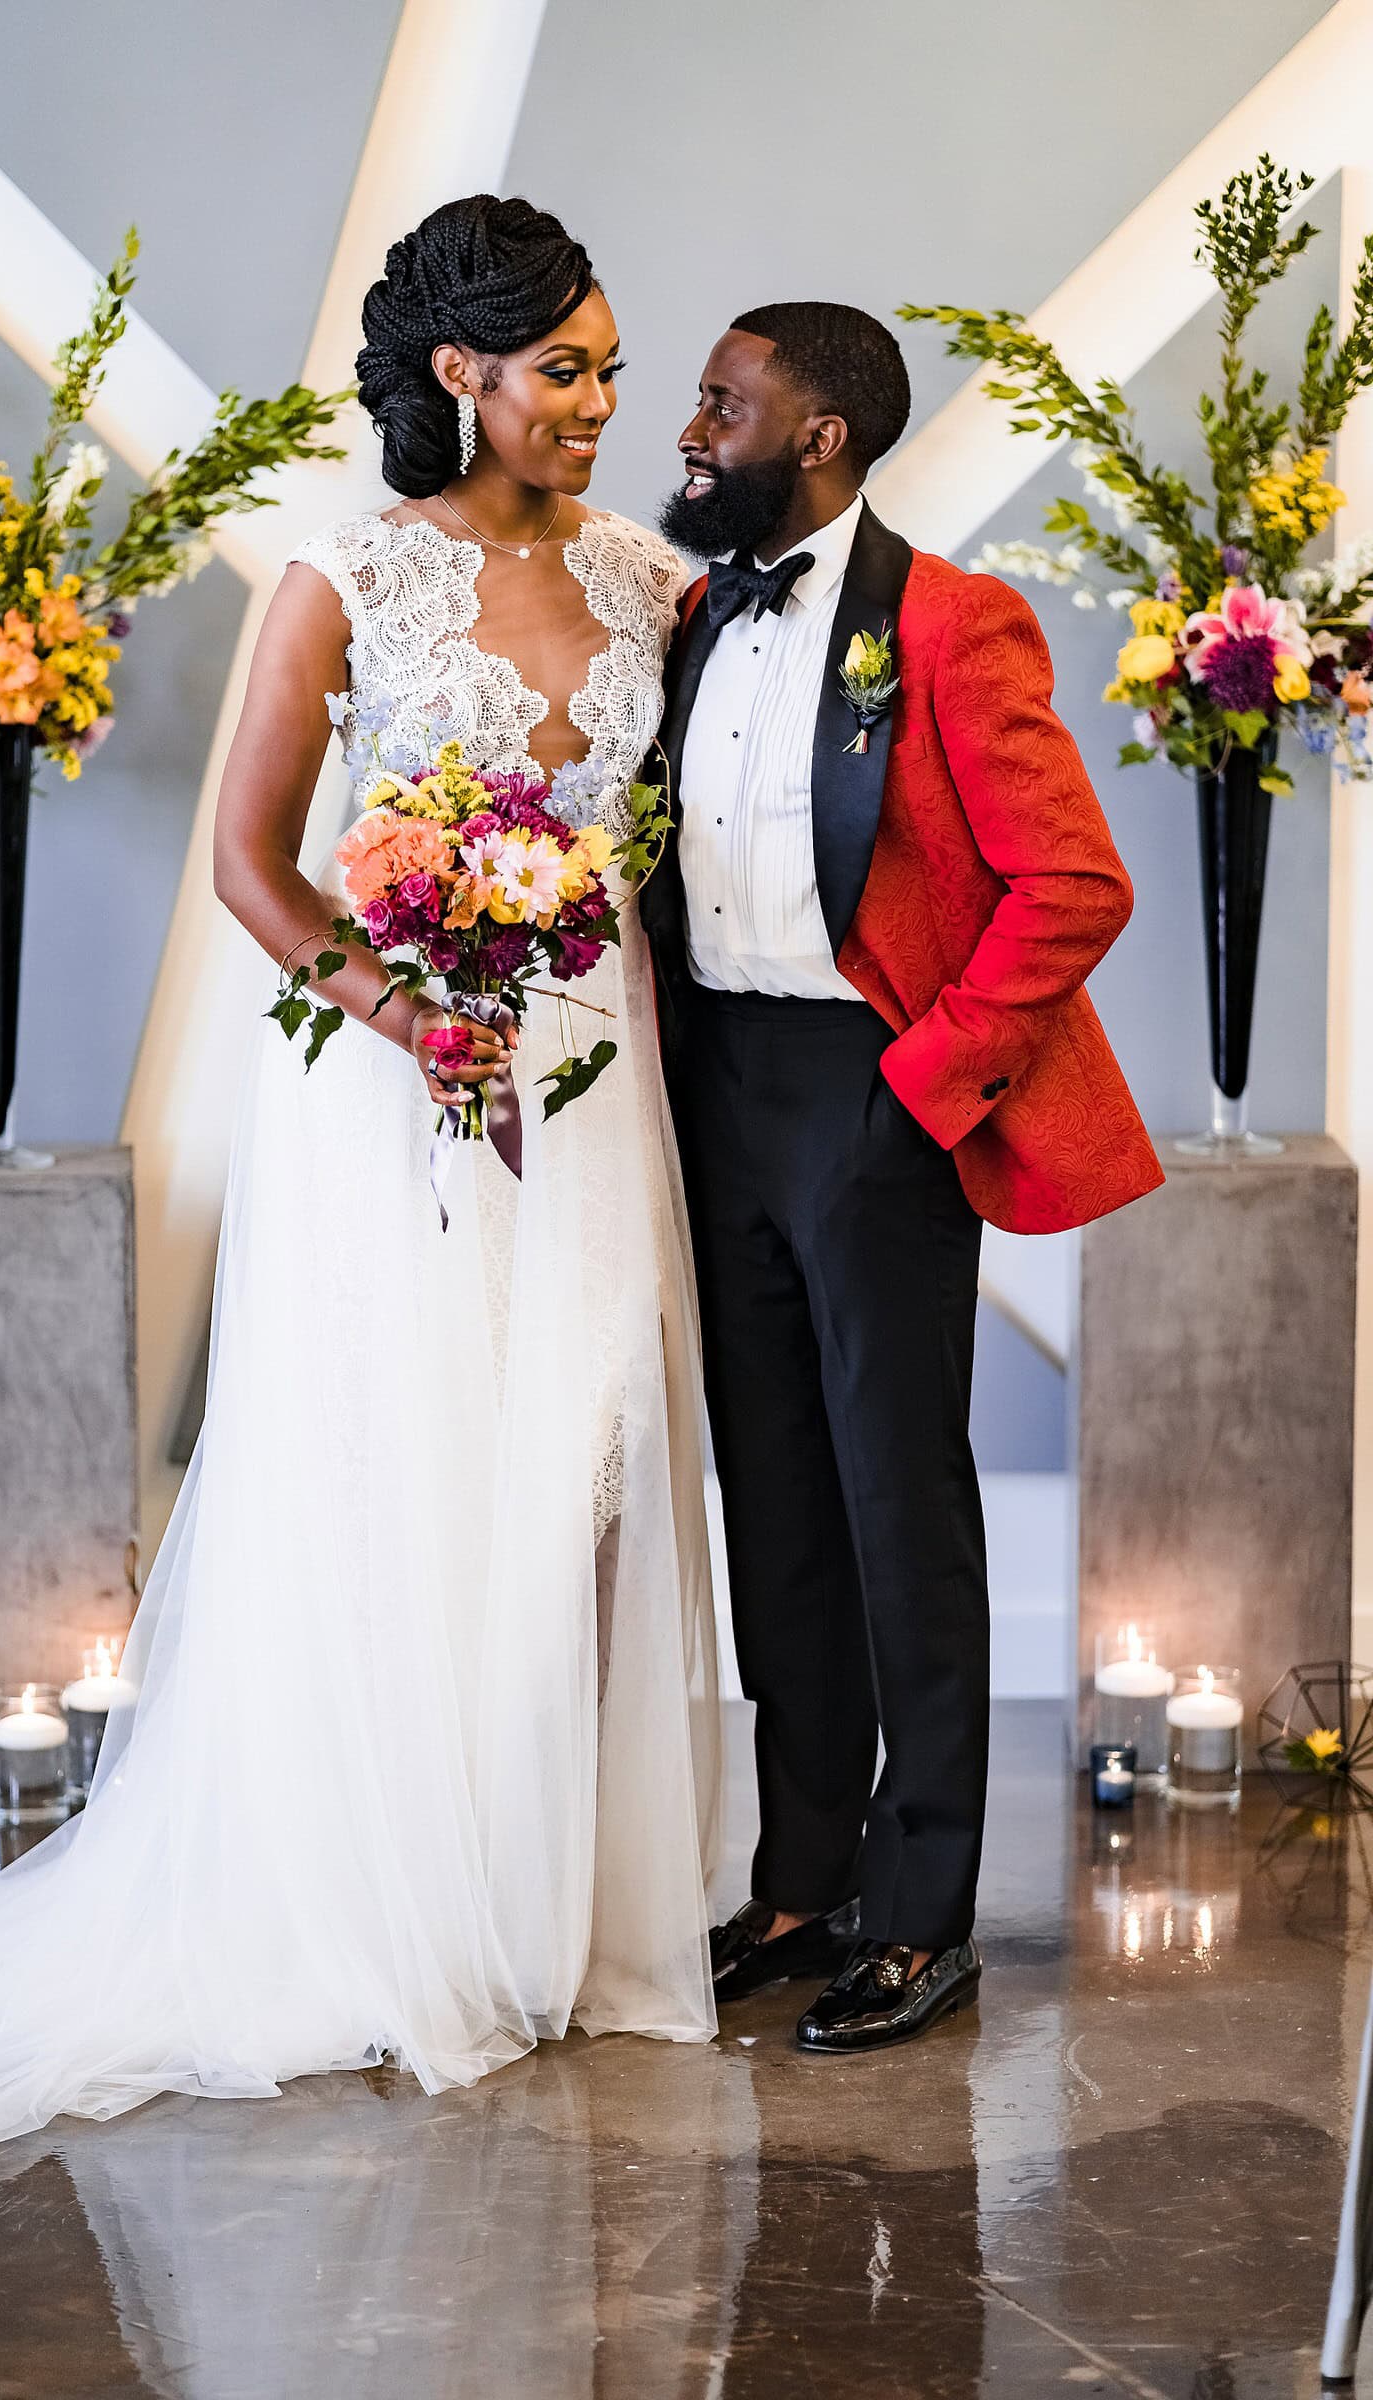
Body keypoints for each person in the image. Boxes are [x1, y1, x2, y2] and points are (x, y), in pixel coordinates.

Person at [0, 196, 720, 2194]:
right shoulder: (350, 574)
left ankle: (551, 1909)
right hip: (397, 1095)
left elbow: (652, 870)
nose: (598, 405)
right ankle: (389, 1908)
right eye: (567, 370)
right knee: (402, 1469)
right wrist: (409, 1013)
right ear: (461, 375)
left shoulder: (651, 580)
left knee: (591, 1474)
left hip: (593, 1073)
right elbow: (251, 864)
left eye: (613, 371)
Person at [643, 301, 1162, 2056]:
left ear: (824, 436)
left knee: (895, 1498)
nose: (692, 425)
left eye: (726, 403)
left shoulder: (950, 622)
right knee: (774, 1494)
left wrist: (927, 1082)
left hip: (877, 1098)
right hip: (716, 1086)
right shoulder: (693, 609)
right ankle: (802, 1881)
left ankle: (923, 1910)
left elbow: (1072, 884)